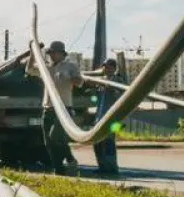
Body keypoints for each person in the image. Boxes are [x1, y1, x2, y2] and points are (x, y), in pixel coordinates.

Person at [28, 40, 81, 173]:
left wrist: (70, 77)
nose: (51, 55)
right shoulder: (46, 68)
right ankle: (58, 169)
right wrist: (33, 52)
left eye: (54, 53)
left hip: (64, 108)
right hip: (48, 107)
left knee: (55, 136)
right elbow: (29, 69)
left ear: (62, 54)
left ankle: (70, 158)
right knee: (48, 142)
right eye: (50, 53)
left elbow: (79, 82)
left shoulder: (70, 66)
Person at [91, 55, 125, 176]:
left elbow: (121, 97)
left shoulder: (118, 81)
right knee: (97, 143)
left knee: (109, 143)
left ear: (114, 68)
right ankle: (102, 166)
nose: (107, 69)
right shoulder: (101, 81)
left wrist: (111, 89)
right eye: (105, 67)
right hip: (99, 117)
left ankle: (112, 167)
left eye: (110, 67)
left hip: (112, 118)